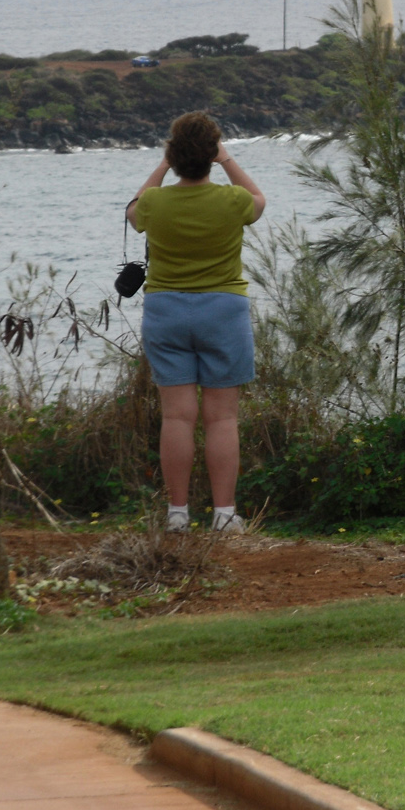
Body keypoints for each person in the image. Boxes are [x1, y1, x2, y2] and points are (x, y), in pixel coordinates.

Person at [127, 111, 265, 534]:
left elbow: (133, 210)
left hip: (166, 312)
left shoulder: (156, 203)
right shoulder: (231, 201)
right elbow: (258, 200)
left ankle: (177, 515)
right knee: (221, 418)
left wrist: (165, 164)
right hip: (222, 310)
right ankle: (224, 515)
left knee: (177, 418)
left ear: (174, 154)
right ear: (210, 154)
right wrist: (226, 160)